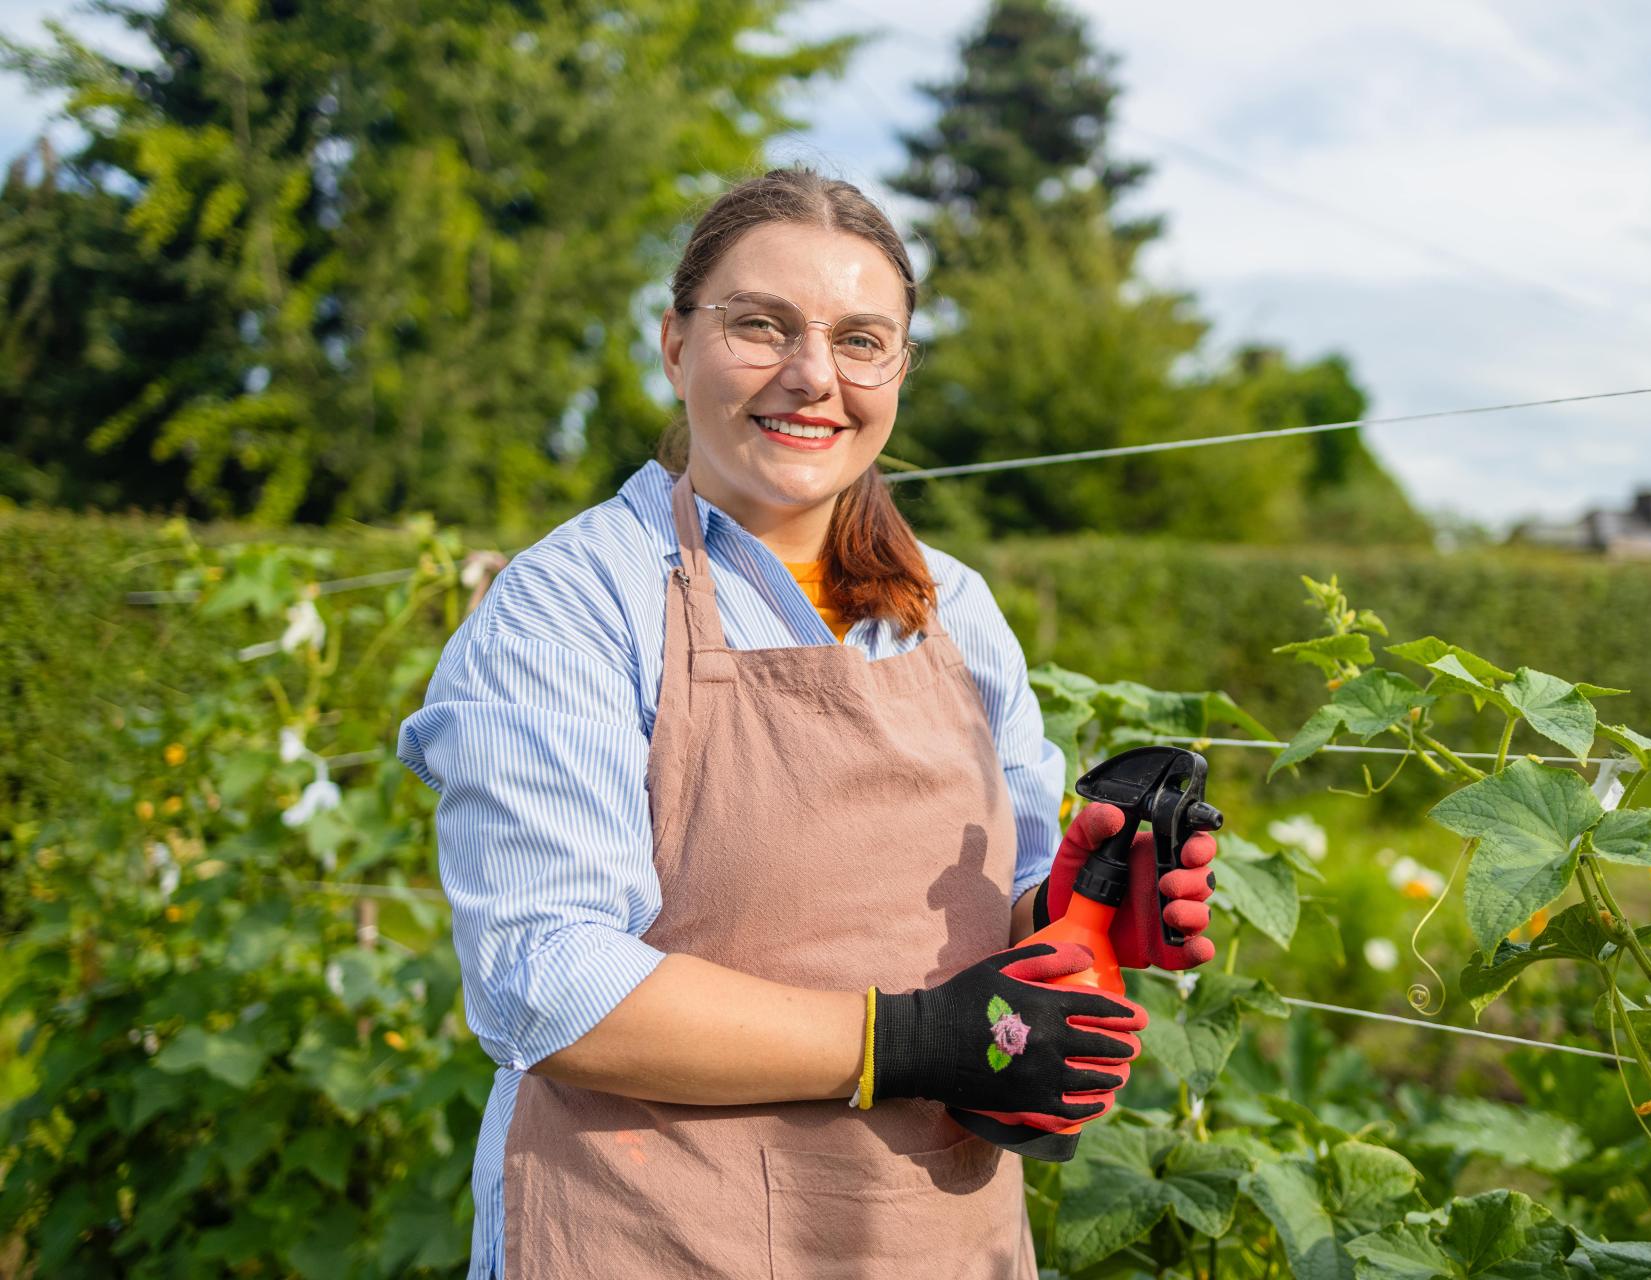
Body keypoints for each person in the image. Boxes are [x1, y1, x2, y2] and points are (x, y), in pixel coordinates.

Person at [396, 168, 1220, 1279]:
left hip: (932, 1233)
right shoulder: (576, 602)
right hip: (659, 1230)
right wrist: (916, 1040)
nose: (813, 376)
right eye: (761, 326)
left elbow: (996, 922)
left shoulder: (956, 606)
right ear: (675, 343)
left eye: (862, 340)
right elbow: (546, 980)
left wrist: (1091, 905)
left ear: (900, 369)